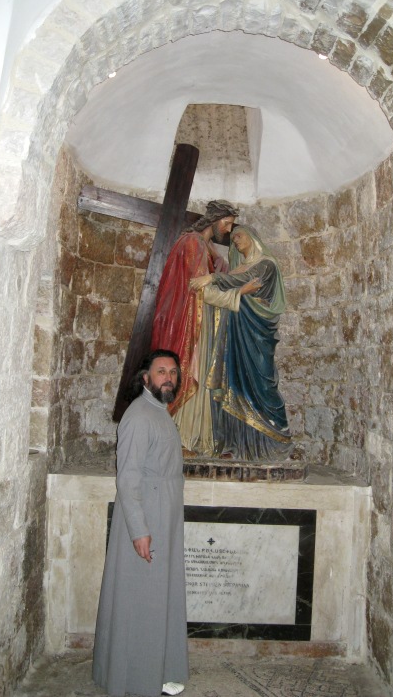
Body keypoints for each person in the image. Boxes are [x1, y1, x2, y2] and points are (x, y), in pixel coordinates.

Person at [92, 350, 188, 697]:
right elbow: (128, 478)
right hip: (147, 517)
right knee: (142, 600)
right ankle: (135, 678)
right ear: (146, 377)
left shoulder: (159, 412)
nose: (168, 378)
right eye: (161, 371)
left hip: (163, 515)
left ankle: (158, 670)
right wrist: (139, 531)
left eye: (173, 373)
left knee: (158, 597)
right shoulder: (138, 415)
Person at [191, 225, 292, 461]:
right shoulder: (236, 270)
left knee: (263, 384)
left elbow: (246, 280)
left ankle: (276, 440)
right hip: (233, 337)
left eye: (239, 235)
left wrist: (212, 277)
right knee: (232, 384)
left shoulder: (266, 264)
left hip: (257, 335)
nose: (235, 240)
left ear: (253, 238)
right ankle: (236, 443)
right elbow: (217, 292)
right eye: (233, 237)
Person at [150, 199, 238, 456]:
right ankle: (182, 438)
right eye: (227, 223)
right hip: (191, 322)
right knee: (191, 371)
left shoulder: (201, 244)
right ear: (215, 220)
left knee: (198, 373)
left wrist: (221, 264)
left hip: (197, 319)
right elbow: (199, 288)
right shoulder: (193, 243)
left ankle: (195, 437)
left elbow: (211, 276)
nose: (228, 230)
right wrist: (237, 295)